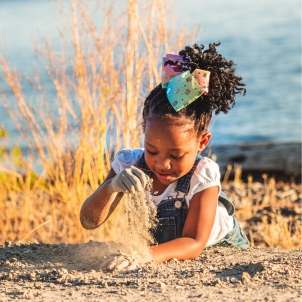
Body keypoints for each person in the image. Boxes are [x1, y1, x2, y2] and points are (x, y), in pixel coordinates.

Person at [80, 42, 250, 270]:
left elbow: (194, 242)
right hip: (163, 249)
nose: (162, 163)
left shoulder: (202, 175)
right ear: (143, 131)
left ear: (202, 142)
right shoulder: (128, 163)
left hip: (221, 246)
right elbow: (89, 222)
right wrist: (111, 186)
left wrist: (141, 256)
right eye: (151, 150)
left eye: (176, 155)